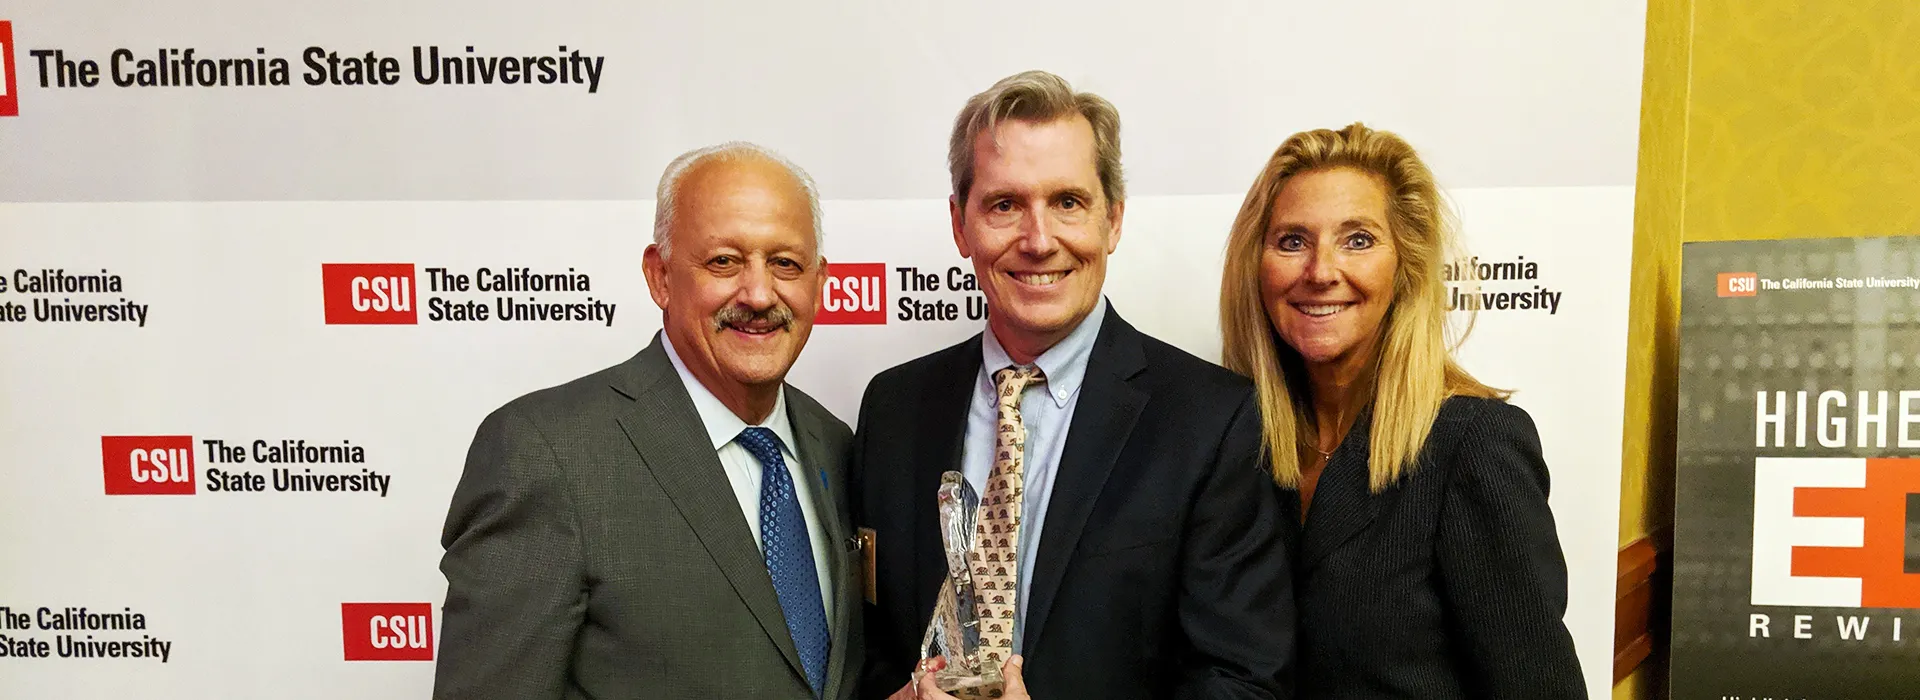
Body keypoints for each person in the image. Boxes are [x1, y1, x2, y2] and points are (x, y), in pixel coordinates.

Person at [854, 70, 1296, 700]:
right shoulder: (893, 408)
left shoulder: (1210, 422)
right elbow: (869, 647)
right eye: (1005, 205)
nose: (1039, 241)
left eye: (1068, 202)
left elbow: (1243, 683)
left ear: (1112, 220)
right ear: (960, 225)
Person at [433, 142, 862, 700]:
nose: (759, 294)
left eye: (785, 264)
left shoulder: (835, 444)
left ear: (819, 282)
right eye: (724, 261)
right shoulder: (548, 452)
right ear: (659, 276)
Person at [1217, 122, 1587, 699]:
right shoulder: (1241, 443)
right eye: (1291, 241)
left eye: (1358, 240)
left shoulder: (1475, 444)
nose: (1321, 271)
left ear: (1406, 266)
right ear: (1256, 265)